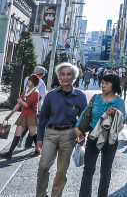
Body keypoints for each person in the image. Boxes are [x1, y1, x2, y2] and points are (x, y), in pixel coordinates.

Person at [35, 63, 87, 197]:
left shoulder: (80, 96)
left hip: (69, 134)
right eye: (63, 74)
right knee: (43, 166)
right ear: (59, 77)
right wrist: (39, 138)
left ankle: (56, 195)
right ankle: (41, 194)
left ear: (74, 77)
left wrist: (82, 135)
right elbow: (43, 119)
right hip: (50, 133)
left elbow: (84, 118)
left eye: (69, 74)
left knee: (62, 171)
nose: (65, 77)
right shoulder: (51, 96)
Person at [77, 73, 125, 197]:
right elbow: (85, 113)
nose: (103, 86)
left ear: (113, 85)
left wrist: (115, 114)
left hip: (110, 140)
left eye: (107, 83)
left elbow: (122, 121)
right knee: (88, 170)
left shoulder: (119, 101)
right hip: (93, 137)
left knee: (106, 171)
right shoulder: (96, 97)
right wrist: (78, 127)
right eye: (102, 83)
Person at [2, 75, 40, 159]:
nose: (28, 82)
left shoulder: (35, 92)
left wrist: (20, 101)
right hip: (24, 114)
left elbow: (27, 104)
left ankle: (38, 150)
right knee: (17, 133)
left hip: (31, 116)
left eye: (29, 80)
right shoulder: (25, 92)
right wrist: (10, 115)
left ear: (33, 82)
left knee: (33, 134)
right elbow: (18, 104)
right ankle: (9, 153)